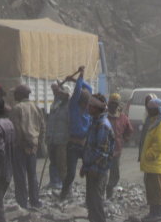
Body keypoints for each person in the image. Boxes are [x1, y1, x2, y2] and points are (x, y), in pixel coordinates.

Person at [9, 84, 45, 209]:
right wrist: (38, 144)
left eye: (15, 93)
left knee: (20, 176)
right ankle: (35, 201)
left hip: (20, 147)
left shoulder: (17, 108)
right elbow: (42, 127)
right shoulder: (36, 107)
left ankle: (22, 203)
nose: (14, 95)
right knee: (32, 175)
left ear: (20, 94)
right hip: (33, 146)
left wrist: (22, 144)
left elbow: (16, 130)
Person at [60, 66, 92, 200]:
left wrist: (74, 79)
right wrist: (80, 76)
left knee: (90, 171)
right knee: (71, 173)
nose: (86, 106)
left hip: (85, 145)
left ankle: (91, 195)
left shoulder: (88, 112)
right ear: (80, 102)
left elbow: (88, 89)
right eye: (85, 103)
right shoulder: (73, 106)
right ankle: (64, 193)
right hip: (73, 145)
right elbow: (79, 91)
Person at [81, 93, 115, 222]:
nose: (88, 108)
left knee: (96, 202)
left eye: (91, 106)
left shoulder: (103, 125)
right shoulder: (95, 122)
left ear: (96, 108)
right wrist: (85, 166)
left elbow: (103, 151)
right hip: (92, 168)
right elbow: (90, 147)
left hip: (98, 170)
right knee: (91, 202)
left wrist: (93, 167)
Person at [140, 98, 161, 222]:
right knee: (153, 190)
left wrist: (148, 155)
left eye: (150, 109)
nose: (148, 111)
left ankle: (157, 213)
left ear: (155, 110)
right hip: (153, 164)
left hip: (155, 163)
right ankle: (153, 212)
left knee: (156, 190)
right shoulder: (156, 122)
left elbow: (159, 145)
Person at [105, 93, 133, 199]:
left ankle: (109, 190)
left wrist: (123, 140)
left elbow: (129, 130)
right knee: (102, 172)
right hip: (103, 149)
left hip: (116, 150)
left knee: (114, 173)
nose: (113, 106)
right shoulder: (104, 115)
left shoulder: (122, 117)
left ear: (118, 105)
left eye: (115, 104)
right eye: (111, 103)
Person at [46, 82, 71, 190]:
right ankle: (54, 182)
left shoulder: (70, 107)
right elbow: (51, 121)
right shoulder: (56, 104)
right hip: (52, 140)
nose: (59, 94)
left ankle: (65, 187)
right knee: (53, 162)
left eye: (61, 93)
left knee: (62, 165)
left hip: (62, 141)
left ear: (67, 95)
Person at [137, 93, 158, 163]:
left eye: (150, 102)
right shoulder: (147, 117)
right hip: (146, 155)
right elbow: (143, 138)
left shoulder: (158, 119)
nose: (148, 105)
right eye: (147, 103)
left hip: (154, 157)